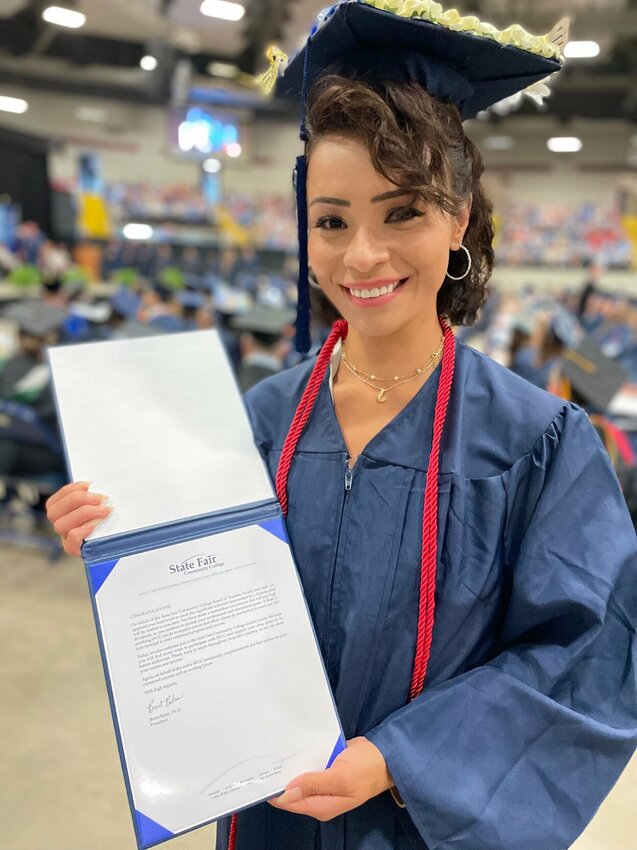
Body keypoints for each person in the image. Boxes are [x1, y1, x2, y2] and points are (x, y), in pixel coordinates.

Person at [45, 3, 636, 850]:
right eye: (331, 220)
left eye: (401, 213)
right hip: (268, 820)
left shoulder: (538, 442)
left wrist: (397, 758)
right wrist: (119, 541)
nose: (360, 256)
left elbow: (585, 662)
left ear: (458, 218)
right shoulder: (256, 419)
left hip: (417, 825)